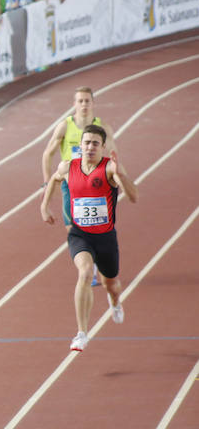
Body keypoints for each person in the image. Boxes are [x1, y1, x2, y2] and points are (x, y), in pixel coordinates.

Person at [40, 125, 137, 352]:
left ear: (103, 147)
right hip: (79, 234)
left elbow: (133, 196)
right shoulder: (68, 167)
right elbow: (54, 180)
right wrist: (44, 206)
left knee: (110, 284)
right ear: (80, 146)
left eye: (95, 143)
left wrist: (121, 175)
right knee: (84, 273)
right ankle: (82, 333)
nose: (90, 147)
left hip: (105, 238)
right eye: (86, 143)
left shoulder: (109, 169)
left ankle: (115, 302)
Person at [41, 86, 118, 229]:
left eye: (87, 101)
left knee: (98, 227)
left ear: (92, 103)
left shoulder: (103, 127)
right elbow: (47, 154)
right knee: (73, 229)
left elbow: (114, 154)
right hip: (71, 179)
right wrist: (46, 182)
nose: (84, 104)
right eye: (80, 101)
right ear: (74, 104)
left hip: (96, 178)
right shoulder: (65, 126)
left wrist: (121, 178)